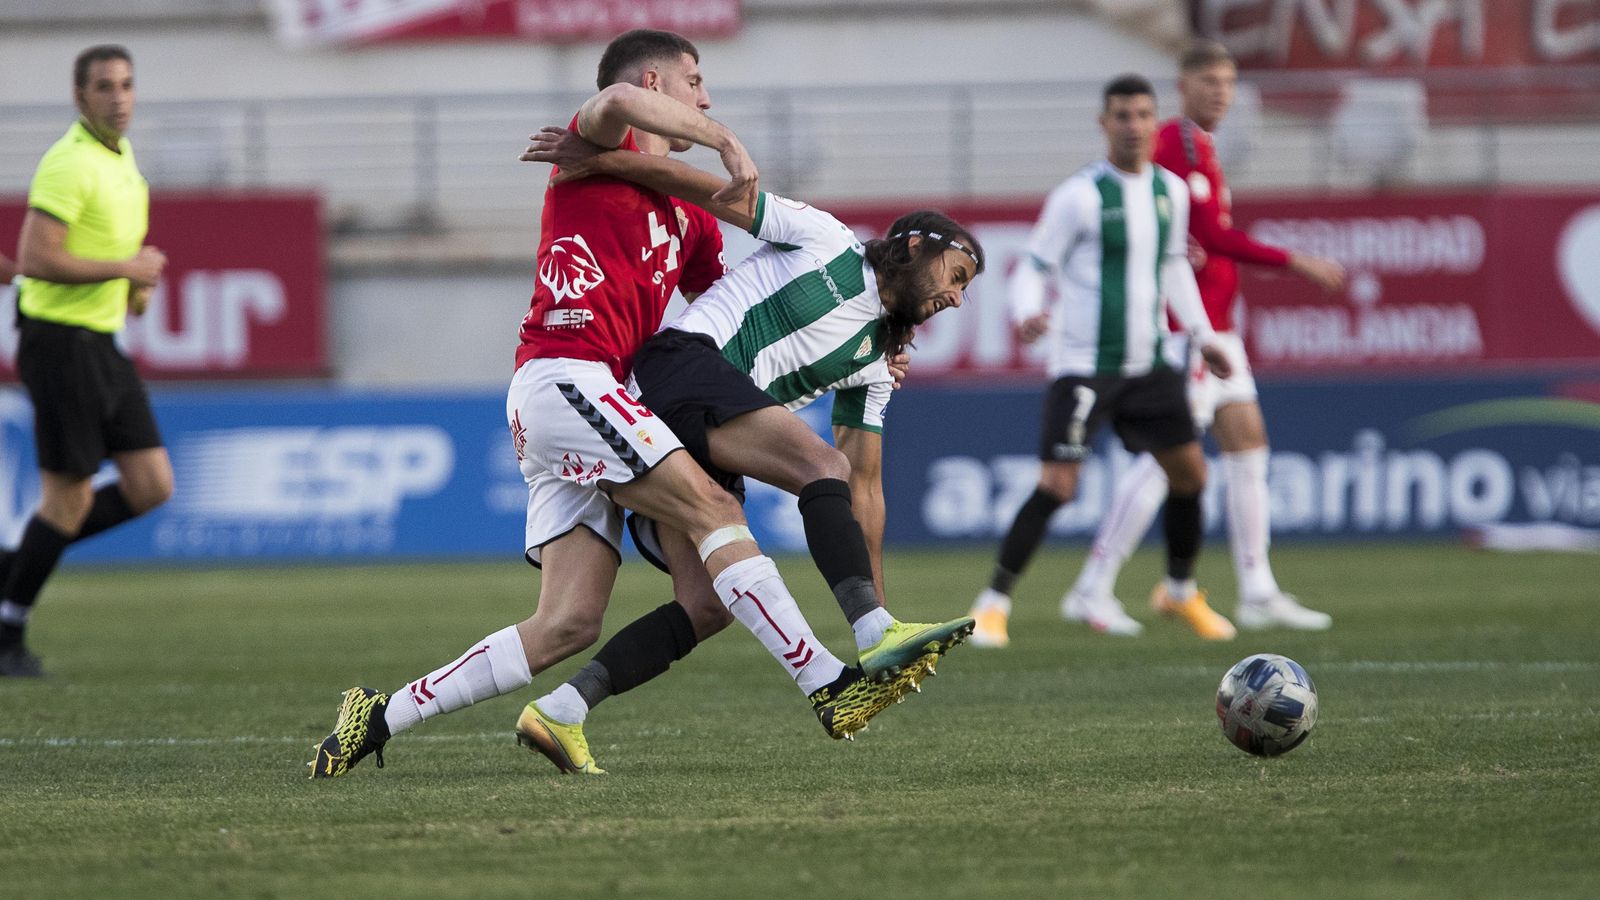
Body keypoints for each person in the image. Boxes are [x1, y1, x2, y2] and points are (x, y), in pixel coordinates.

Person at [309, 30, 959, 778]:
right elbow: (617, 101)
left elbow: (731, 309)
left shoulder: (688, 219)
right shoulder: (592, 150)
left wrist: (879, 336)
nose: (705, 98)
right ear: (657, 82)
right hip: (567, 375)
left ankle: (381, 714)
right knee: (719, 514)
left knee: (571, 622)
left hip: (601, 398)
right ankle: (827, 684)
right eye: (694, 82)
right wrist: (725, 141)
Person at [511, 127, 982, 773]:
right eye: (956, 276)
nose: (956, 297)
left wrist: (880, 605)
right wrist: (601, 161)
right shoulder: (828, 240)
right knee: (820, 464)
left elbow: (864, 488)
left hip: (708, 432)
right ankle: (868, 638)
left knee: (707, 606)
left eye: (965, 290)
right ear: (914, 246)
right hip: (676, 369)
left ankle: (563, 711)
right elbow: (713, 192)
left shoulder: (876, 366)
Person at [1046, 41, 1345, 639]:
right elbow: (1208, 235)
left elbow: (1192, 235)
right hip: (1189, 330)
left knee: (1247, 444)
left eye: (1230, 81)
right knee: (1170, 461)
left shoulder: (1199, 146)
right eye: (1209, 80)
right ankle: (1093, 584)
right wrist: (1296, 261)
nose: (1221, 92)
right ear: (1182, 85)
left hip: (1216, 328)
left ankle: (1257, 589)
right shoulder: (1176, 144)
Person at [967, 73, 1235, 647]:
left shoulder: (1172, 191)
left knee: (1191, 475)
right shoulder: (1080, 195)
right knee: (1058, 486)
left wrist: (1203, 335)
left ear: (1154, 122)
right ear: (1104, 123)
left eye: (1143, 115)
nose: (1133, 126)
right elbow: (1034, 265)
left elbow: (1172, 266)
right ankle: (991, 605)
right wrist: (1028, 312)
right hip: (1085, 366)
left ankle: (1180, 590)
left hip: (1150, 365)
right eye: (1121, 116)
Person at [1, 45, 172, 678]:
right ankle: (7, 631)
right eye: (104, 87)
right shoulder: (67, 163)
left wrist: (136, 286)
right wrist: (127, 267)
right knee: (66, 501)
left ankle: (13, 561)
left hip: (100, 341)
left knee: (151, 486)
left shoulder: (124, 162)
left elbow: (109, 264)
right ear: (80, 97)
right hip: (57, 341)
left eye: (127, 85)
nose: (119, 97)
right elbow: (37, 258)